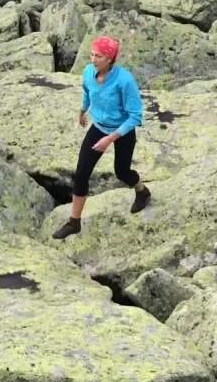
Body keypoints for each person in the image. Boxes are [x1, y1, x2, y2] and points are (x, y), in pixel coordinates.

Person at [53, 36, 150, 240]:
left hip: (122, 130)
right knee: (81, 174)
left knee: (122, 172)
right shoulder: (88, 72)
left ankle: (142, 191)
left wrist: (110, 138)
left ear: (110, 59)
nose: (93, 59)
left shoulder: (124, 81)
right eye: (92, 54)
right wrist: (82, 111)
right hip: (98, 127)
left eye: (99, 56)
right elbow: (88, 92)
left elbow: (135, 116)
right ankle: (74, 222)